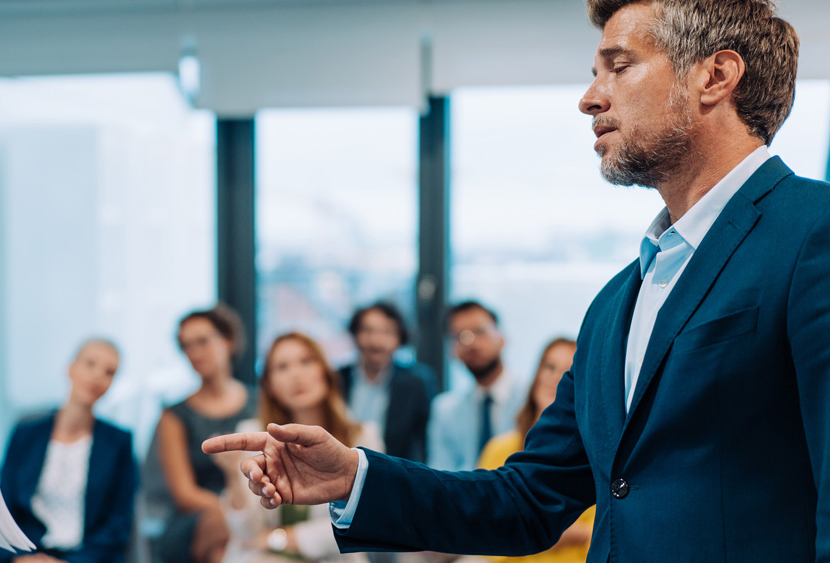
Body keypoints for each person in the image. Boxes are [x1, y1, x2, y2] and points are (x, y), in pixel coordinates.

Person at [204, 1, 830, 560]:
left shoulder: (813, 234)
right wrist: (354, 478)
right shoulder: (617, 303)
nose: (590, 97)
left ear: (714, 77)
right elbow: (529, 497)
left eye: (618, 66)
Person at [219, 332, 383, 563]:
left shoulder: (363, 437)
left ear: (325, 372)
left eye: (306, 361)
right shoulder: (253, 435)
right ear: (270, 385)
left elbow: (363, 521)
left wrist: (281, 539)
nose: (296, 375)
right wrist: (232, 476)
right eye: (282, 367)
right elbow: (245, 533)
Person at [0, 338, 137, 563]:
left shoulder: (118, 443)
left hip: (86, 558)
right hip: (26, 555)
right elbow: (4, 508)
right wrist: (21, 558)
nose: (98, 375)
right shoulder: (26, 434)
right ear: (70, 368)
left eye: (109, 372)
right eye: (90, 364)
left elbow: (117, 524)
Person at [148, 305, 255, 563]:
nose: (194, 353)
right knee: (221, 526)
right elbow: (184, 494)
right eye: (186, 346)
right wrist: (234, 510)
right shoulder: (175, 415)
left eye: (202, 342)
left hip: (256, 508)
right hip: (197, 516)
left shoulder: (260, 403)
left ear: (228, 341)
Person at [476, 338, 592, 563]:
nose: (555, 378)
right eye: (549, 367)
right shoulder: (499, 448)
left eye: (568, 372)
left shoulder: (594, 458)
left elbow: (603, 533)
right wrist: (565, 530)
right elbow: (485, 529)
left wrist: (526, 525)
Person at [428, 302, 524, 471]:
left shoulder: (532, 397)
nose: (471, 343)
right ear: (453, 350)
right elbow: (440, 474)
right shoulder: (445, 410)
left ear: (502, 339)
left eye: (480, 331)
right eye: (460, 336)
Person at [337, 302, 434, 462]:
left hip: (395, 474)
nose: (376, 340)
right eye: (367, 330)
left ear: (399, 338)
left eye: (386, 332)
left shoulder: (417, 383)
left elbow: (425, 442)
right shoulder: (336, 378)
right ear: (355, 335)